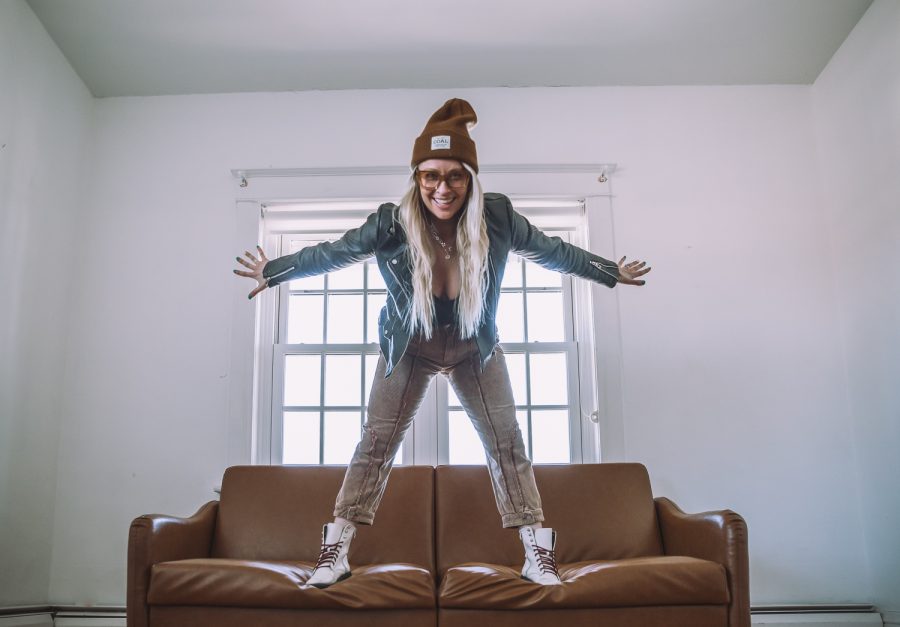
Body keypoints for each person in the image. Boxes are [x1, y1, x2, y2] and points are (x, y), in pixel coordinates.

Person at [233, 98, 651, 588]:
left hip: (475, 347)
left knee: (506, 442)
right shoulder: (391, 222)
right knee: (375, 443)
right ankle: (336, 552)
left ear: (470, 179)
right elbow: (336, 252)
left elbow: (552, 251)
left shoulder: (497, 217)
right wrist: (275, 270)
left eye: (454, 176)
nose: (442, 188)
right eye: (430, 176)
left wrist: (609, 271)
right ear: (417, 179)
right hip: (410, 347)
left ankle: (537, 555)